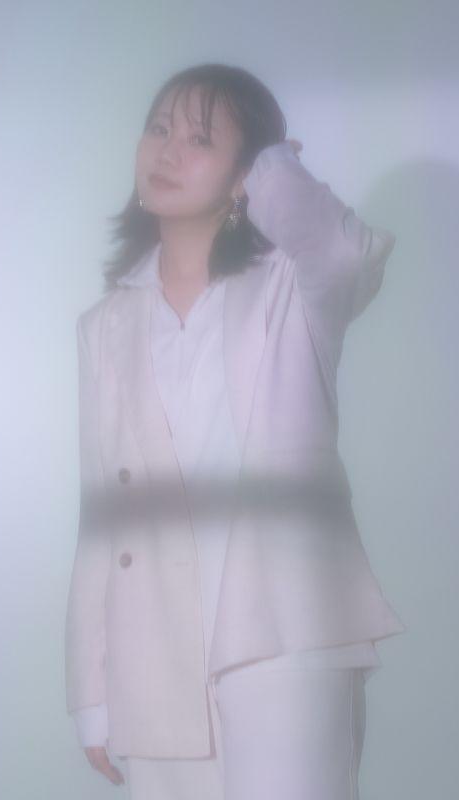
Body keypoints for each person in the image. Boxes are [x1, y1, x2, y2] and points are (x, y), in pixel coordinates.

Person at [64, 63, 405, 800]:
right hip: (153, 642)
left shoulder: (292, 290)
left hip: (284, 625)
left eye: (200, 138)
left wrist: (275, 169)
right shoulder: (104, 326)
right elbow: (102, 515)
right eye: (159, 128)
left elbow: (347, 251)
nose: (168, 150)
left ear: (241, 172)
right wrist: (90, 689)